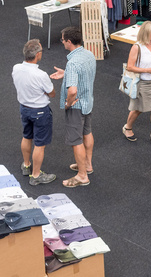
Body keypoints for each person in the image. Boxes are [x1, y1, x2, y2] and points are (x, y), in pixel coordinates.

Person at [50, 27, 96, 188]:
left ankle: (82, 176)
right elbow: (84, 75)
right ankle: (87, 165)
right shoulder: (89, 54)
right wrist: (66, 73)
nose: (62, 42)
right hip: (88, 102)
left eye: (63, 40)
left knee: (76, 141)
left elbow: (73, 90)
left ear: (69, 41)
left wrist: (68, 104)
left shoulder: (73, 63)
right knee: (87, 133)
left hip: (76, 107)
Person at [13, 39, 57, 186]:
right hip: (40, 111)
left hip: (24, 108)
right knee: (40, 144)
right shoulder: (41, 74)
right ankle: (36, 175)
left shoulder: (16, 68)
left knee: (26, 136)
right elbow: (52, 93)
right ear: (38, 55)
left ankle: (26, 165)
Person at [122, 21, 151, 147]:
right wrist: (146, 70)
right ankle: (128, 128)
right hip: (142, 83)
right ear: (147, 33)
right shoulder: (137, 47)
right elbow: (130, 67)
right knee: (138, 109)